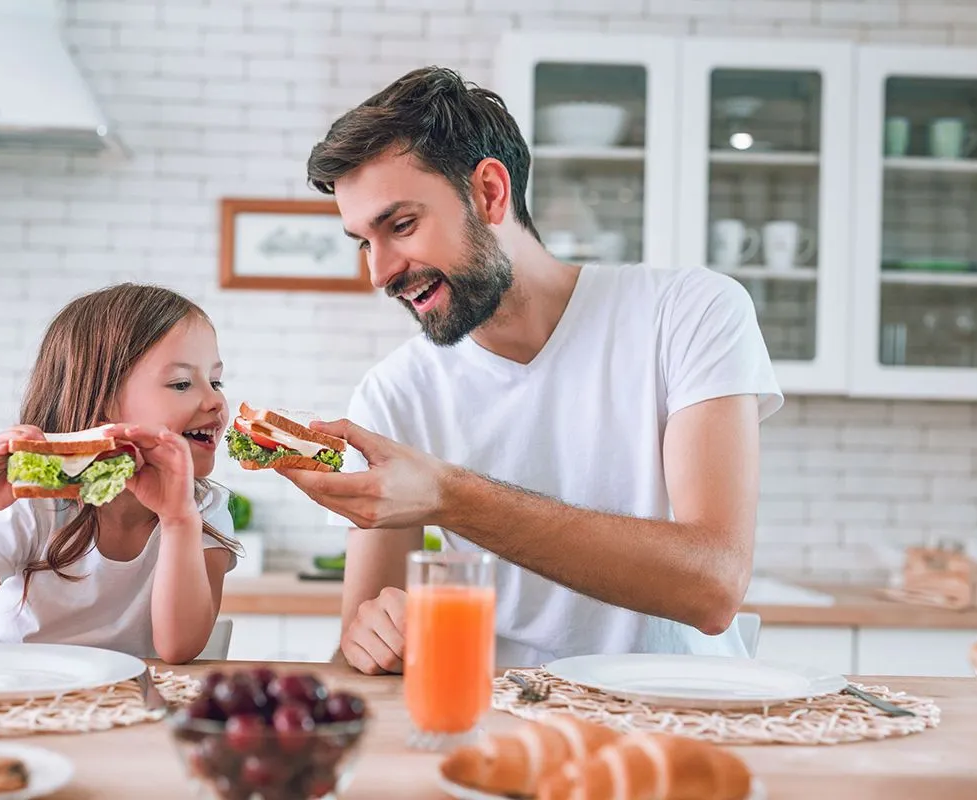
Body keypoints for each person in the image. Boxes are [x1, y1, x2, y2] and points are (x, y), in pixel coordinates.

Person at [281, 66, 784, 674]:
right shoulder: (395, 395)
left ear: (489, 192)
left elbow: (713, 584)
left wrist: (449, 495)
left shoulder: (687, 311)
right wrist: (373, 640)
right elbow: (363, 653)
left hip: (683, 715)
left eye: (402, 226)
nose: (379, 272)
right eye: (364, 241)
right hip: (502, 724)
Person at [0, 284, 242, 663]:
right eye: (182, 383)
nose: (216, 400)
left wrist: (177, 520)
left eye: (216, 380)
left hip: (125, 709)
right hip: (16, 697)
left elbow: (179, 648)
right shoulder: (36, 505)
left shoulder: (202, 510)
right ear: (102, 402)